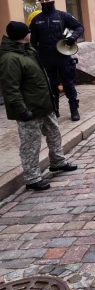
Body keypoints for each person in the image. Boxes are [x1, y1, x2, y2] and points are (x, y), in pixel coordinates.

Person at [0, 22, 77, 191]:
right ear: (22, 35)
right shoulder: (9, 58)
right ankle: (32, 177)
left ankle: (57, 162)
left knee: (54, 133)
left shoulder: (29, 50)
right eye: (28, 31)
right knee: (30, 144)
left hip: (44, 105)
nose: (30, 33)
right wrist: (22, 110)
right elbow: (10, 88)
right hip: (29, 110)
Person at [30, 0, 84, 121]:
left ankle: (74, 109)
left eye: (47, 0)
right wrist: (33, 55)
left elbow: (79, 27)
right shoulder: (36, 19)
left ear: (53, 1)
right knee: (51, 86)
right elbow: (32, 41)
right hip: (45, 58)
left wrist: (72, 38)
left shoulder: (62, 15)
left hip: (63, 56)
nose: (45, 2)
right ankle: (55, 111)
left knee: (68, 84)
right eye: (42, 0)